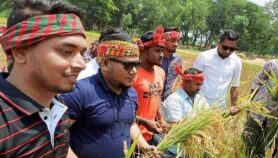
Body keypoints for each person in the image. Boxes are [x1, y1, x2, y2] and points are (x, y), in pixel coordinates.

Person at [0, 0, 87, 157]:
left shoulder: (57, 106)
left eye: (82, 53)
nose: (82, 64)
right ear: (20, 52)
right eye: (66, 51)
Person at [61, 29, 159, 158]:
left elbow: (130, 123)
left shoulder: (131, 94)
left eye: (136, 64)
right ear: (105, 63)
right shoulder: (79, 92)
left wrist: (143, 145)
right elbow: (57, 136)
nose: (134, 71)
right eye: (128, 65)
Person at [244, 36, 278, 157]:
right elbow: (257, 83)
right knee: (247, 142)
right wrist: (249, 104)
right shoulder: (273, 64)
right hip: (258, 112)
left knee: (263, 149)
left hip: (276, 118)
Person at [193, 30, 242, 113]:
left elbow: (234, 86)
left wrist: (234, 106)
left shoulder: (236, 62)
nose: (228, 51)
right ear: (219, 43)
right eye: (225, 47)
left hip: (219, 109)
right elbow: (192, 80)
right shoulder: (205, 56)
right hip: (199, 106)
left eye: (232, 49)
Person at [135, 26, 167, 145]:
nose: (161, 54)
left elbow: (156, 98)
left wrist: (161, 118)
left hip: (151, 133)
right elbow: (122, 111)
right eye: (157, 50)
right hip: (133, 136)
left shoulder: (161, 72)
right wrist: (145, 122)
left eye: (162, 50)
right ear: (143, 51)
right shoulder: (133, 75)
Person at [161, 27, 183, 101]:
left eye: (177, 41)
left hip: (169, 100)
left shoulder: (178, 59)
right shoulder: (156, 58)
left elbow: (178, 76)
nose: (176, 44)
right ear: (164, 40)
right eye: (173, 41)